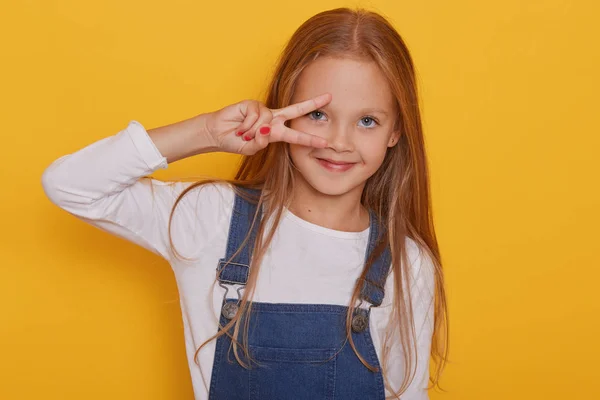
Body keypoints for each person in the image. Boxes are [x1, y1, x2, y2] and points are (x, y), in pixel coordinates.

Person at [42, 7, 448, 400]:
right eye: (319, 114)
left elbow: (407, 393)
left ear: (396, 131)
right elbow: (70, 185)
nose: (338, 142)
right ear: (283, 111)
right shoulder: (211, 219)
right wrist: (206, 132)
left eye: (367, 121)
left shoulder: (406, 262)